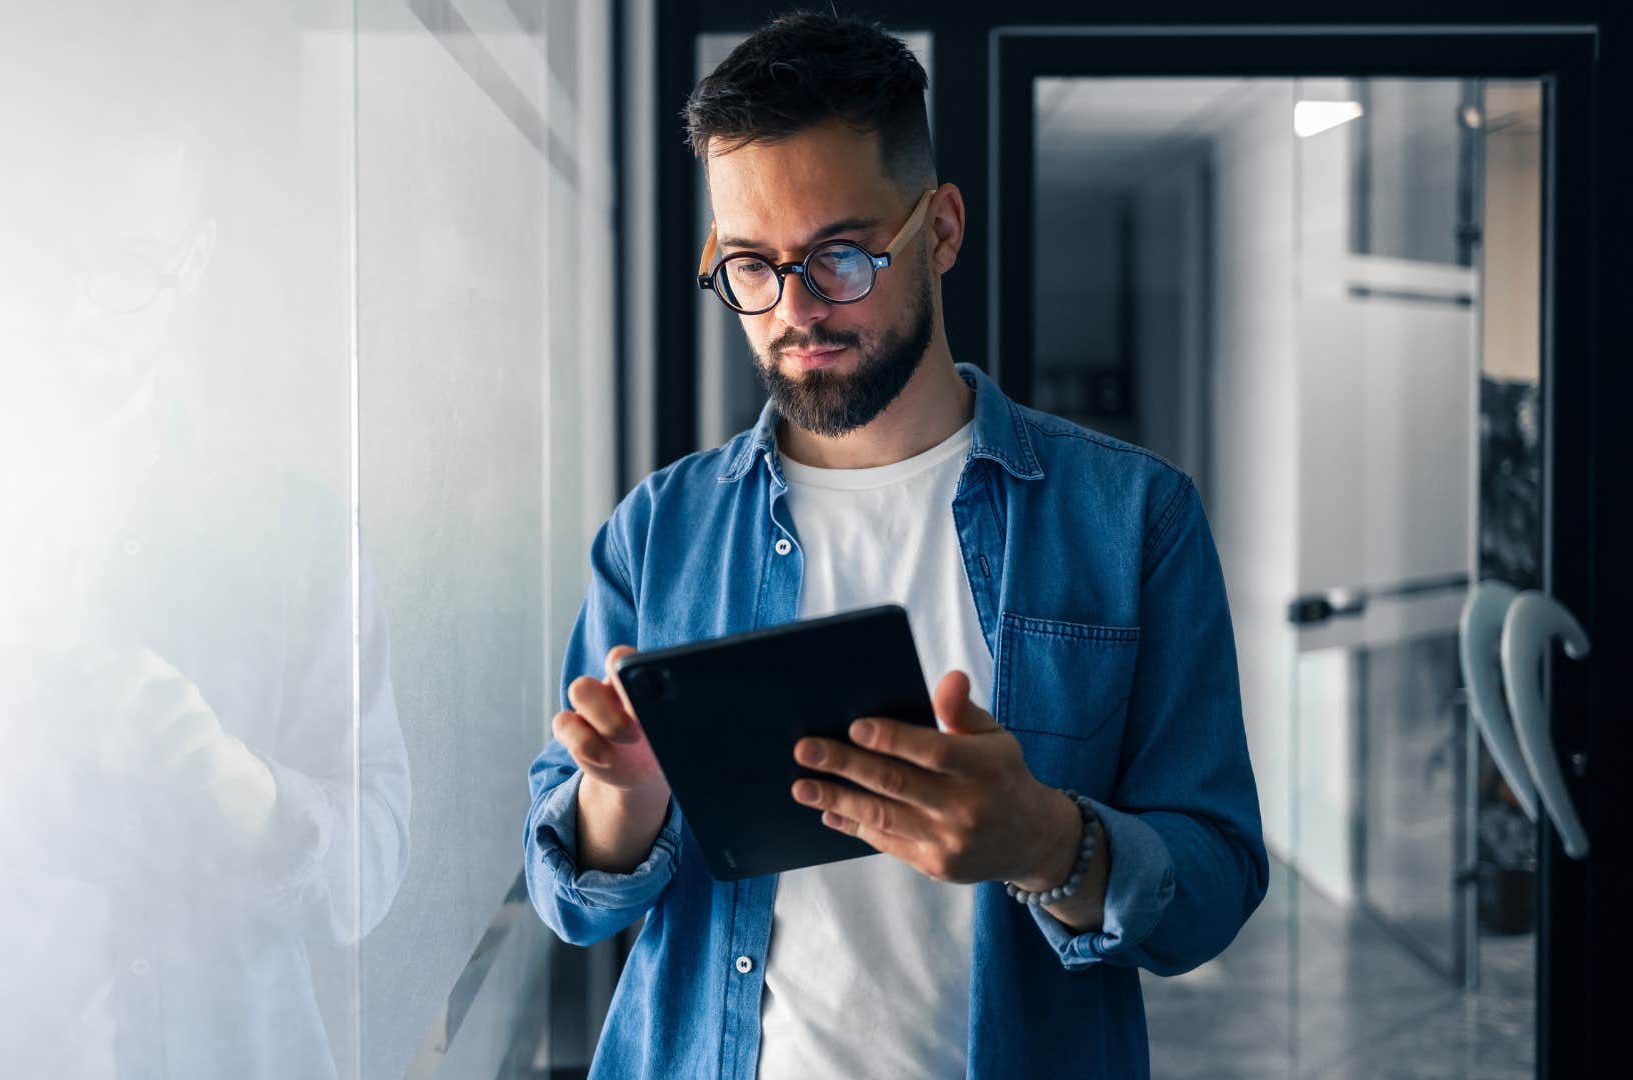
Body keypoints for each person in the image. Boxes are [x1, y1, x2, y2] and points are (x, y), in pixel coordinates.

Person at [522, 12, 1266, 1079]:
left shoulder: (1133, 518)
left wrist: (1048, 846)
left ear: (942, 230)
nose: (794, 310)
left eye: (841, 258)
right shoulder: (659, 531)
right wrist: (620, 803)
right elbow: (569, 899)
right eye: (749, 267)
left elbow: (1217, 884)